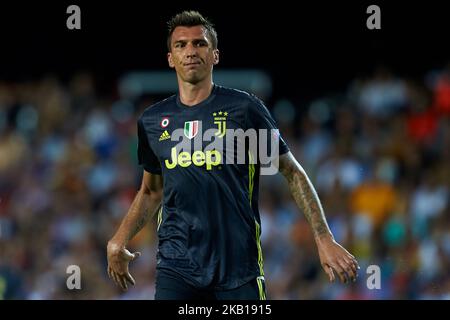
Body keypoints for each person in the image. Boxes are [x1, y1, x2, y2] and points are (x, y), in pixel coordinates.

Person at [107, 10, 359, 300]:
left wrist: (324, 238)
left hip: (238, 268)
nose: (190, 51)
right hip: (176, 266)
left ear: (215, 55)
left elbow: (291, 172)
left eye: (199, 43)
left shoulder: (244, 109)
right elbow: (151, 192)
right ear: (170, 58)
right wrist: (120, 237)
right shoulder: (153, 121)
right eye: (181, 45)